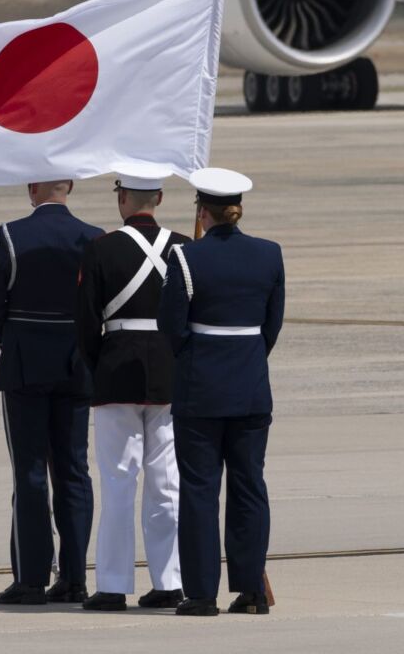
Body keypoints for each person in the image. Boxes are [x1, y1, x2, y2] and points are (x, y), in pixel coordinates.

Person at [157, 168, 284, 617]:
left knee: (199, 490)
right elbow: (271, 326)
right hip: (250, 386)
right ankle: (250, 590)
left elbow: (171, 327)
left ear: (202, 212)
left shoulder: (186, 258)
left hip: (201, 389)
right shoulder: (269, 254)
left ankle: (201, 593)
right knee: (249, 487)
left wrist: (199, 358)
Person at [0, 179, 102, 605]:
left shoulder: (12, 234)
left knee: (29, 471)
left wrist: (13, 341)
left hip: (27, 361)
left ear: (33, 189)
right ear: (68, 186)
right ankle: (73, 578)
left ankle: (30, 578)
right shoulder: (94, 237)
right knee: (73, 470)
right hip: (75, 364)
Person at [75, 164, 184, 612]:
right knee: (166, 482)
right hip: (168, 371)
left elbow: (85, 323)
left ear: (123, 199)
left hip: (116, 367)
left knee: (119, 480)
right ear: (158, 199)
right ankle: (170, 581)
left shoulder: (101, 249)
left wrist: (99, 365)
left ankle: (115, 585)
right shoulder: (183, 247)